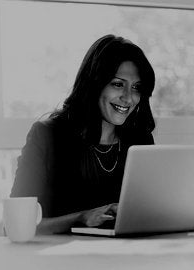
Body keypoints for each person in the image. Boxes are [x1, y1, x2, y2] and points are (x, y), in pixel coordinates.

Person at [10, 34, 156, 234]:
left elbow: (152, 213)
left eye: (137, 88)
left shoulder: (139, 140)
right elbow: (16, 226)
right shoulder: (48, 136)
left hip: (127, 258)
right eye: (118, 84)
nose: (128, 98)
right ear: (95, 83)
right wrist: (81, 218)